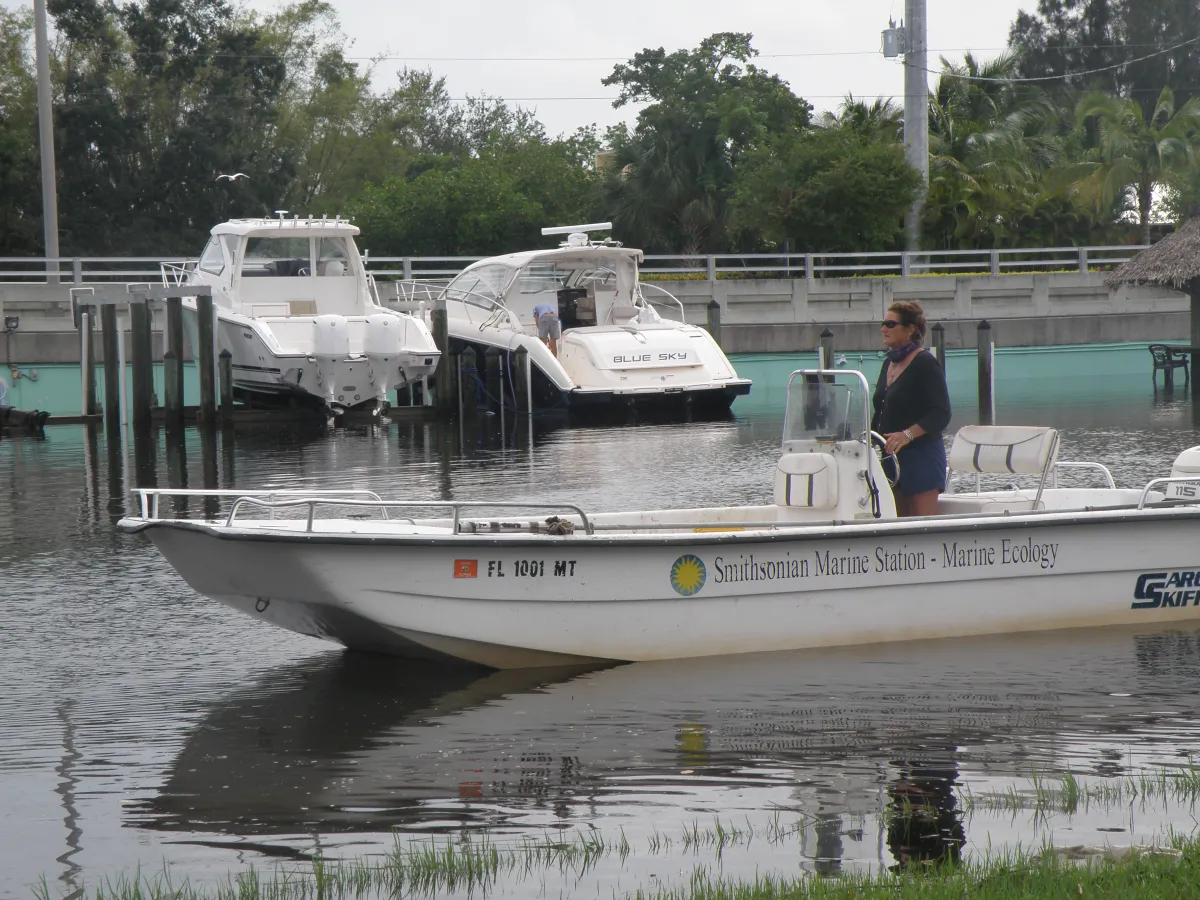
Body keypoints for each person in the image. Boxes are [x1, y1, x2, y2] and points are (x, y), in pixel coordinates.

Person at [872, 300, 951, 517]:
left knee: (920, 526)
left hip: (921, 457)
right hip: (890, 458)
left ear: (910, 330)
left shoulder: (925, 363)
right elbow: (881, 410)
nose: (883, 329)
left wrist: (907, 435)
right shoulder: (888, 364)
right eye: (883, 323)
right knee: (895, 522)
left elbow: (941, 413)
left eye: (890, 324)